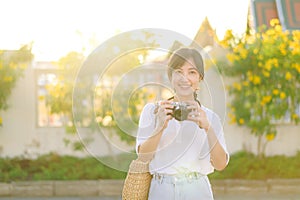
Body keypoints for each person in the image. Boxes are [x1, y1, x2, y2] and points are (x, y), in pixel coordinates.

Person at [136, 47, 229, 199]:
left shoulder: (210, 117)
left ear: (200, 78)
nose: (184, 78)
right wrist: (160, 127)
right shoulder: (153, 111)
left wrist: (207, 128)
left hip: (197, 190)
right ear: (170, 76)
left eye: (191, 72)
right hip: (161, 190)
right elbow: (143, 158)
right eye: (178, 71)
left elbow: (220, 165)